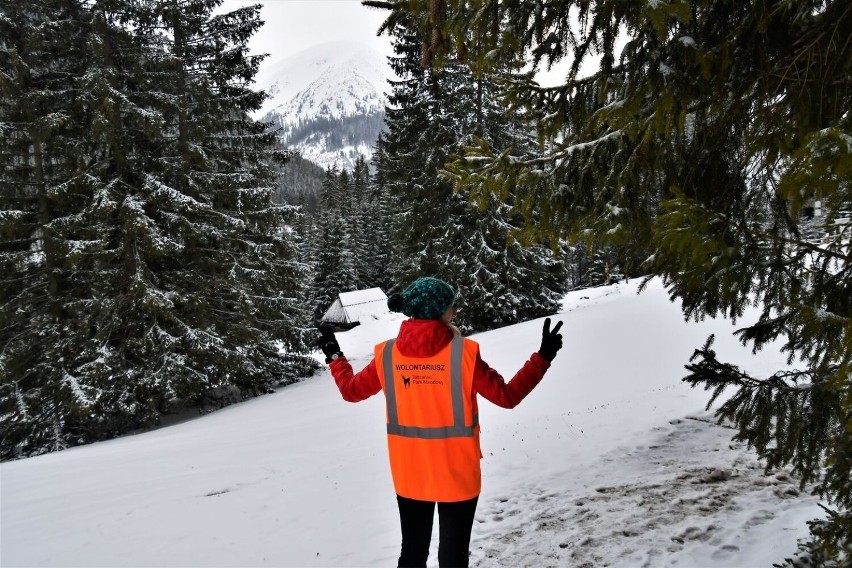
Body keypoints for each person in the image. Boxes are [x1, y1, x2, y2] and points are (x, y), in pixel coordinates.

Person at [317, 277, 563, 568]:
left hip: (410, 475)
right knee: (453, 559)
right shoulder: (464, 355)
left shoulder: (387, 355)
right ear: (437, 312)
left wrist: (334, 355)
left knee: (412, 555)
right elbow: (507, 396)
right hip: (457, 475)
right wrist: (543, 356)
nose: (455, 312)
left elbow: (351, 390)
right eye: (450, 306)